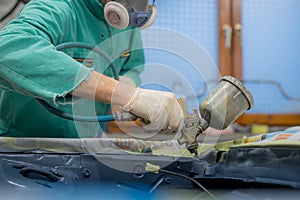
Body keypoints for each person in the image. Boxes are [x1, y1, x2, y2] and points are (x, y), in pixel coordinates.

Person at [0, 0, 184, 138]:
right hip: (23, 148)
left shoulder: (127, 21)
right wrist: (125, 94)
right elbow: (9, 48)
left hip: (84, 147)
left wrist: (129, 87)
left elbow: (132, 67)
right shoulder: (58, 6)